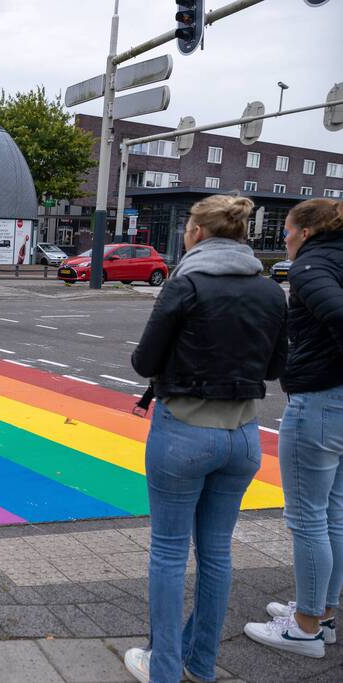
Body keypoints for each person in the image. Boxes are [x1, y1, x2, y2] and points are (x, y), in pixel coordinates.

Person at [124, 194, 288, 682]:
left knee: (170, 552)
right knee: (216, 552)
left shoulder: (185, 285)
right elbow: (277, 367)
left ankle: (164, 667)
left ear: (198, 232)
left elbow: (145, 363)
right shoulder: (269, 292)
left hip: (184, 433)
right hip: (243, 435)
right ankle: (201, 663)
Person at [244, 199, 343, 658]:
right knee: (335, 517)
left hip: (320, 400)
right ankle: (322, 613)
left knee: (307, 519)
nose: (284, 239)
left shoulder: (309, 267)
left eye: (286, 231)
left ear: (304, 232)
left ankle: (303, 628)